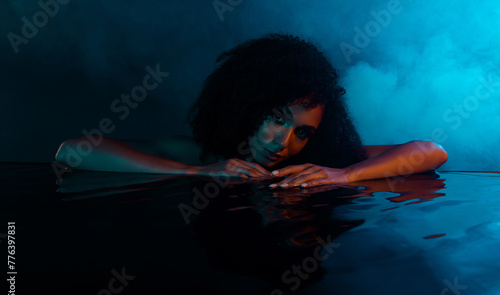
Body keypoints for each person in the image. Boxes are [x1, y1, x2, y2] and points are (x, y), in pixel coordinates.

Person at [55, 33, 448, 188]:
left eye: (302, 132)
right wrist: (195, 171)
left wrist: (345, 174)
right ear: (247, 106)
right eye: (276, 119)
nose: (283, 142)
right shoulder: (205, 154)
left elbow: (431, 151)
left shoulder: (323, 161)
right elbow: (72, 150)